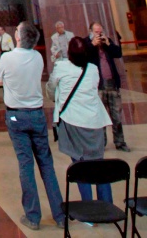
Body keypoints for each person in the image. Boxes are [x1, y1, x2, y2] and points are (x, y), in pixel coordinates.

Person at [0, 21, 65, 232]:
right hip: (36, 115)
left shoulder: (7, 58)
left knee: (26, 165)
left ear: (18, 37)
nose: (14, 31)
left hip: (17, 116)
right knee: (46, 164)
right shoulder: (37, 57)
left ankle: (33, 216)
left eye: (16, 29)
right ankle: (60, 215)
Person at [46, 36, 113, 203]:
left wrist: (56, 96)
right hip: (95, 122)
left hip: (73, 120)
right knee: (99, 164)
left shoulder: (61, 67)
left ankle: (88, 208)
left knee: (80, 165)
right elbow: (94, 87)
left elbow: (51, 88)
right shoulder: (92, 69)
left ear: (69, 53)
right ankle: (106, 204)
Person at [83, 21, 130, 152]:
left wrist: (108, 44)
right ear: (90, 31)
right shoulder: (86, 43)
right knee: (99, 117)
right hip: (98, 85)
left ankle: (120, 142)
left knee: (117, 116)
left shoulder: (107, 41)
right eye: (96, 32)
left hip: (112, 84)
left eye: (100, 31)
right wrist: (93, 45)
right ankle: (101, 143)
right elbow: (83, 57)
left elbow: (118, 53)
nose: (99, 34)